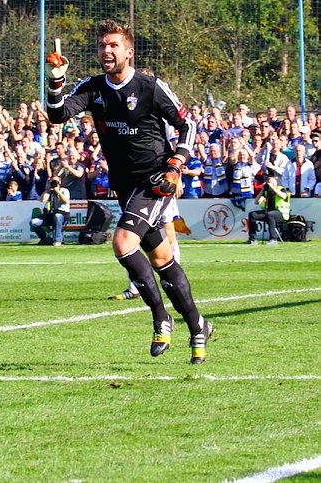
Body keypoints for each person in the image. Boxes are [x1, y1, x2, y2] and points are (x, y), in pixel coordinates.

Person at [45, 20, 213, 364]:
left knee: (122, 243)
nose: (106, 50)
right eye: (102, 45)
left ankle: (161, 318)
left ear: (129, 52)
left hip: (155, 181)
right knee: (161, 259)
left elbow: (188, 124)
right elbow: (57, 115)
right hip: (124, 185)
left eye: (113, 45)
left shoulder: (150, 87)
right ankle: (198, 324)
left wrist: (176, 163)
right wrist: (55, 81)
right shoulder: (93, 88)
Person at [246, 174, 290, 245]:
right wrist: (263, 189)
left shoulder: (281, 189)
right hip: (268, 213)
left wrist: (273, 188)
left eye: (272, 183)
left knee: (270, 214)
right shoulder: (266, 191)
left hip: (280, 214)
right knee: (252, 214)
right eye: (269, 183)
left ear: (276, 182)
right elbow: (257, 202)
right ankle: (252, 239)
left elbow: (284, 196)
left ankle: (273, 239)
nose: (270, 185)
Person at [30, 176, 70, 246]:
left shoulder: (64, 190)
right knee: (33, 222)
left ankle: (57, 240)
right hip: (50, 215)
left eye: (56, 182)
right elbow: (42, 200)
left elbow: (66, 201)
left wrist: (58, 191)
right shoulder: (49, 191)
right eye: (52, 182)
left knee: (57, 216)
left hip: (62, 214)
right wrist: (47, 190)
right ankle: (44, 238)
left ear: (60, 182)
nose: (54, 183)